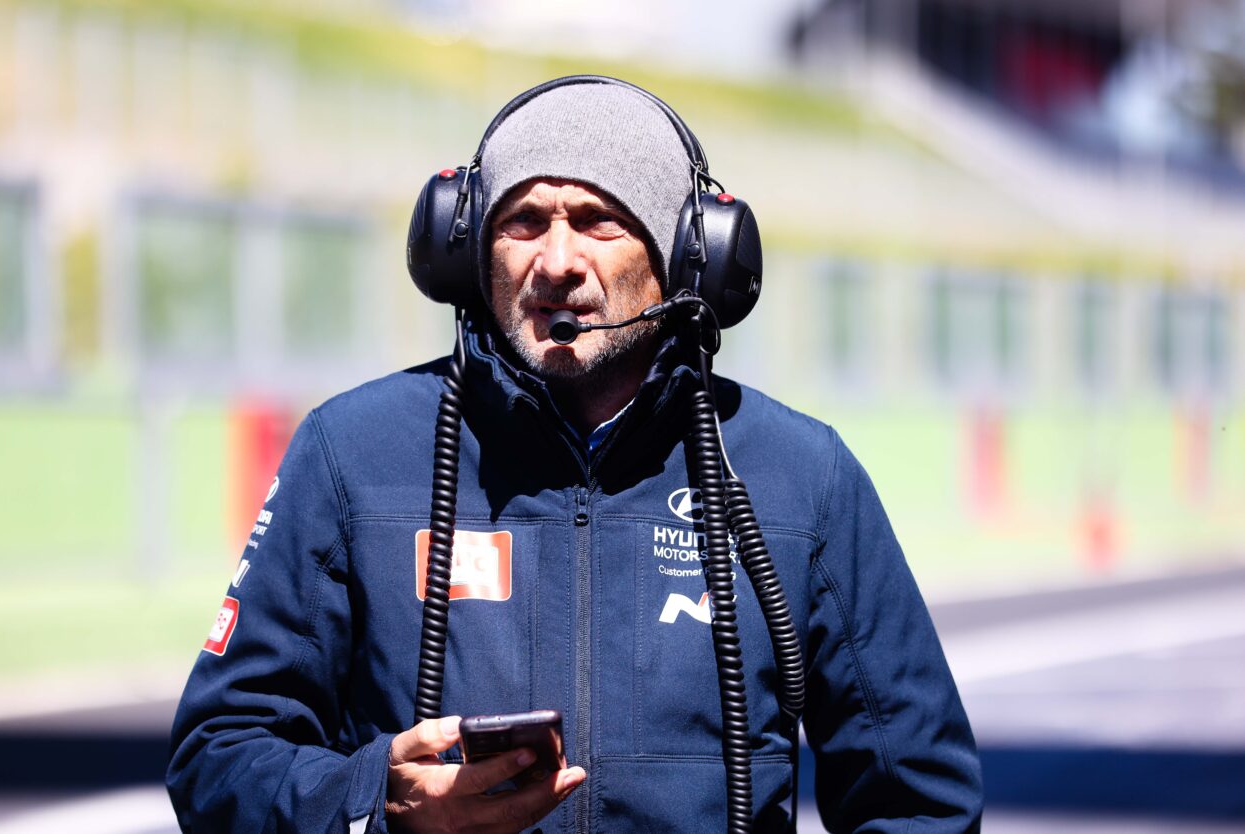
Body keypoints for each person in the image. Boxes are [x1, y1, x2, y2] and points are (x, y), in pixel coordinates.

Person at [167, 77, 983, 833]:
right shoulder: (352, 453)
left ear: (687, 255)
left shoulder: (802, 476)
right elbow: (218, 757)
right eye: (523, 222)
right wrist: (376, 797)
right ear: (467, 252)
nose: (556, 262)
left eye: (597, 221)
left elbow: (919, 800)